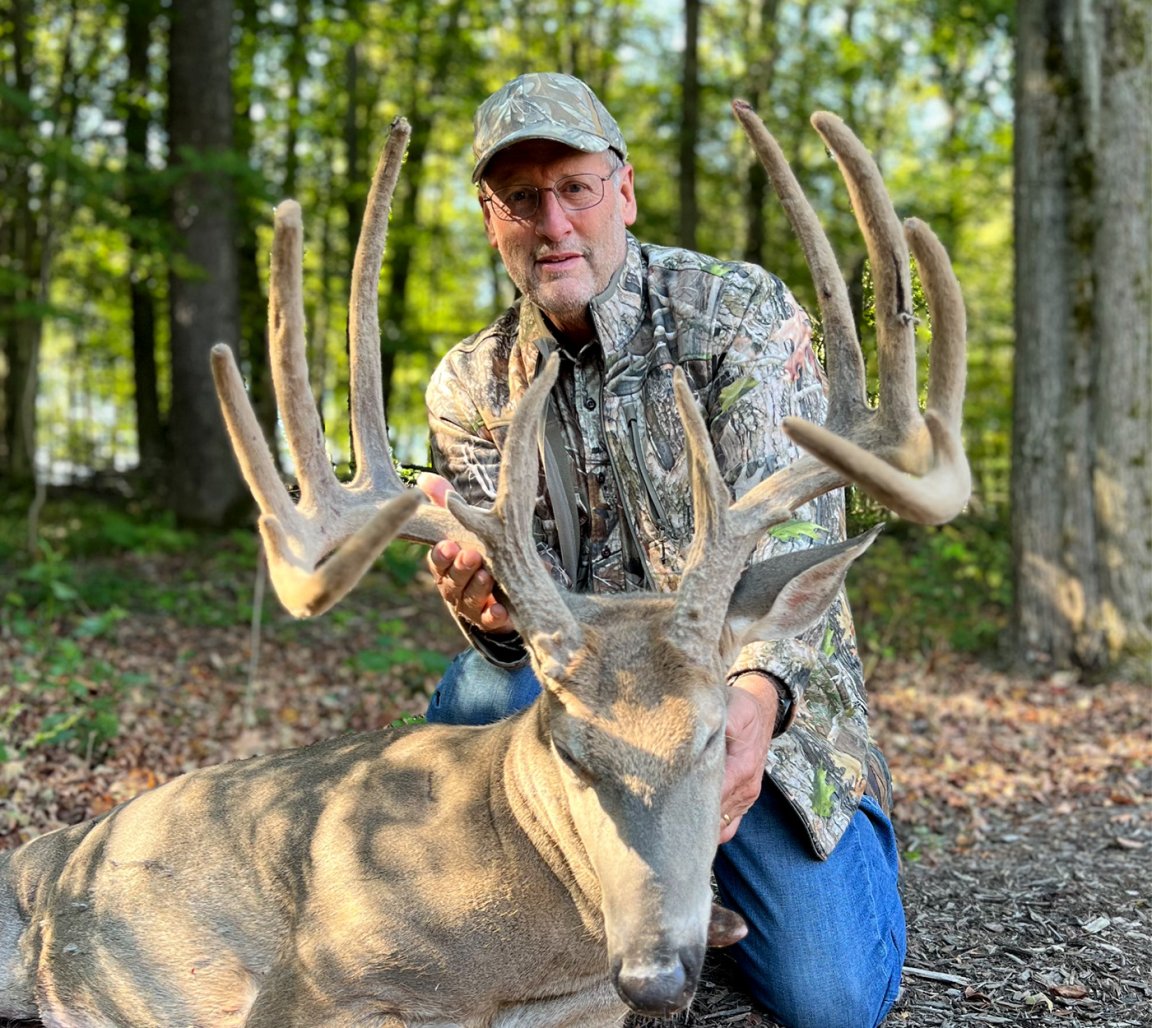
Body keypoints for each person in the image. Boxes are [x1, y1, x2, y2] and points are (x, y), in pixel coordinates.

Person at [417, 72, 905, 1028]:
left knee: (829, 997)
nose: (552, 222)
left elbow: (798, 550)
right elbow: (525, 630)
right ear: (492, 219)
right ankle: (603, 912)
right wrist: (490, 615)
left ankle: (780, 874)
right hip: (596, 723)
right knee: (476, 698)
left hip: (740, 701)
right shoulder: (472, 384)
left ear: (624, 191)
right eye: (522, 199)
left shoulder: (735, 315)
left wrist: (758, 699)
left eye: (576, 188)